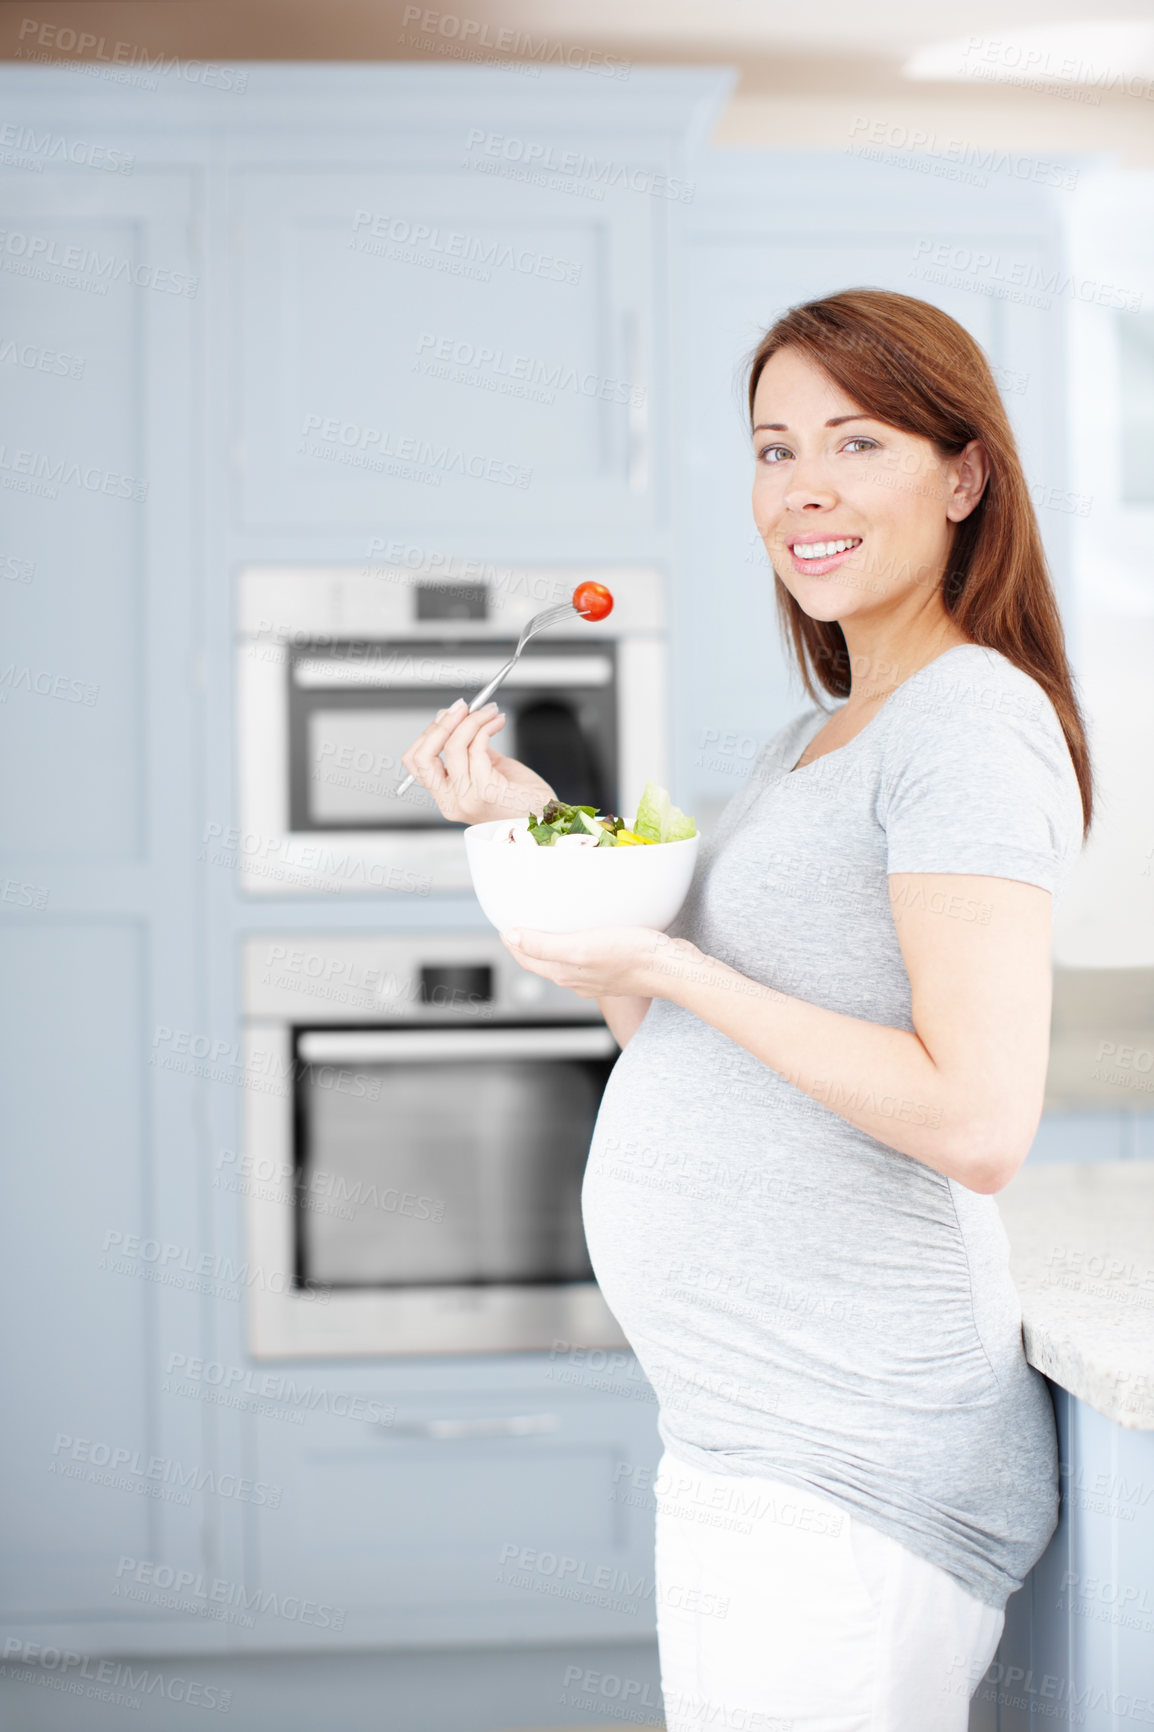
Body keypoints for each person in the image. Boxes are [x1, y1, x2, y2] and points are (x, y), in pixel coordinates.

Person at [399, 288, 1092, 1732]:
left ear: (963, 476)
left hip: (847, 1460)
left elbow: (975, 1119)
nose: (805, 490)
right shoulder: (816, 732)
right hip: (759, 1443)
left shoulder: (967, 721)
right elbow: (695, 1045)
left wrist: (672, 965)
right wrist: (548, 844)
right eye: (774, 451)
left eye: (858, 442)